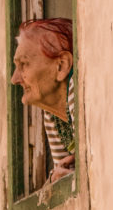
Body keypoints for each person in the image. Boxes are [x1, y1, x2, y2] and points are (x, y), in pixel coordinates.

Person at [10, 17, 75, 184]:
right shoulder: (52, 116)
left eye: (24, 64)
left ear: (61, 65)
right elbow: (62, 180)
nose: (15, 79)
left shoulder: (76, 92)